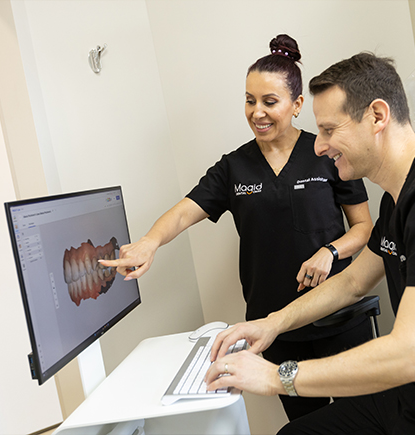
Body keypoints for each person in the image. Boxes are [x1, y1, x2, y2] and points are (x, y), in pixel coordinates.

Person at [205, 52, 415, 434]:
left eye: (329, 130)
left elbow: (414, 354)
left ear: (378, 116)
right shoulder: (400, 196)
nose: (319, 147)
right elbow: (353, 282)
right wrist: (272, 324)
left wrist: (277, 378)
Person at [101, 35, 373, 421]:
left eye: (269, 101)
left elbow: (364, 227)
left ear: (297, 105)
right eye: (249, 100)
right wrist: (149, 243)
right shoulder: (234, 168)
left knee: (363, 422)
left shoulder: (327, 153)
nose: (257, 112)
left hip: (340, 320)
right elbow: (184, 212)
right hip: (276, 328)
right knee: (307, 427)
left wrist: (330, 252)